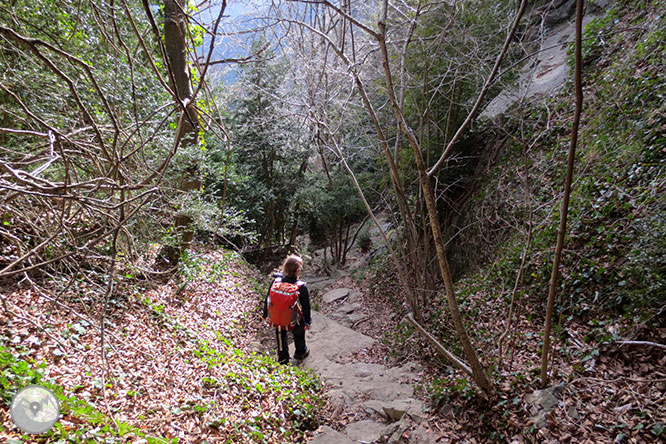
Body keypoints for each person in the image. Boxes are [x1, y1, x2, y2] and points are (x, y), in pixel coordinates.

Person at [263, 255, 311, 364]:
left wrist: (265, 315)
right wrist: (307, 322)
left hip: (278, 317)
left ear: (284, 267)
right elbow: (306, 307)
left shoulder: (276, 282)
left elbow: (267, 299)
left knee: (281, 335)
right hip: (295, 319)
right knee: (299, 333)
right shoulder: (301, 286)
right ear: (298, 270)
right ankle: (300, 352)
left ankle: (283, 359)